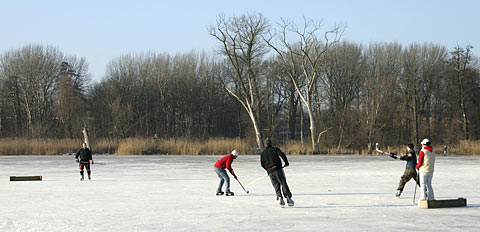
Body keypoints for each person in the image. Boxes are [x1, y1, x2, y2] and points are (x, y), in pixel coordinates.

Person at [260, 138, 294, 207]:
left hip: (270, 172)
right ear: (271, 143)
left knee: (276, 185)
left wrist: (268, 170)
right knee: (283, 183)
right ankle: (288, 198)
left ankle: (280, 198)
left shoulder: (262, 153)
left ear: (265, 144)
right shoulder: (275, 149)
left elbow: (262, 164)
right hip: (278, 169)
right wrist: (286, 163)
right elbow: (282, 155)